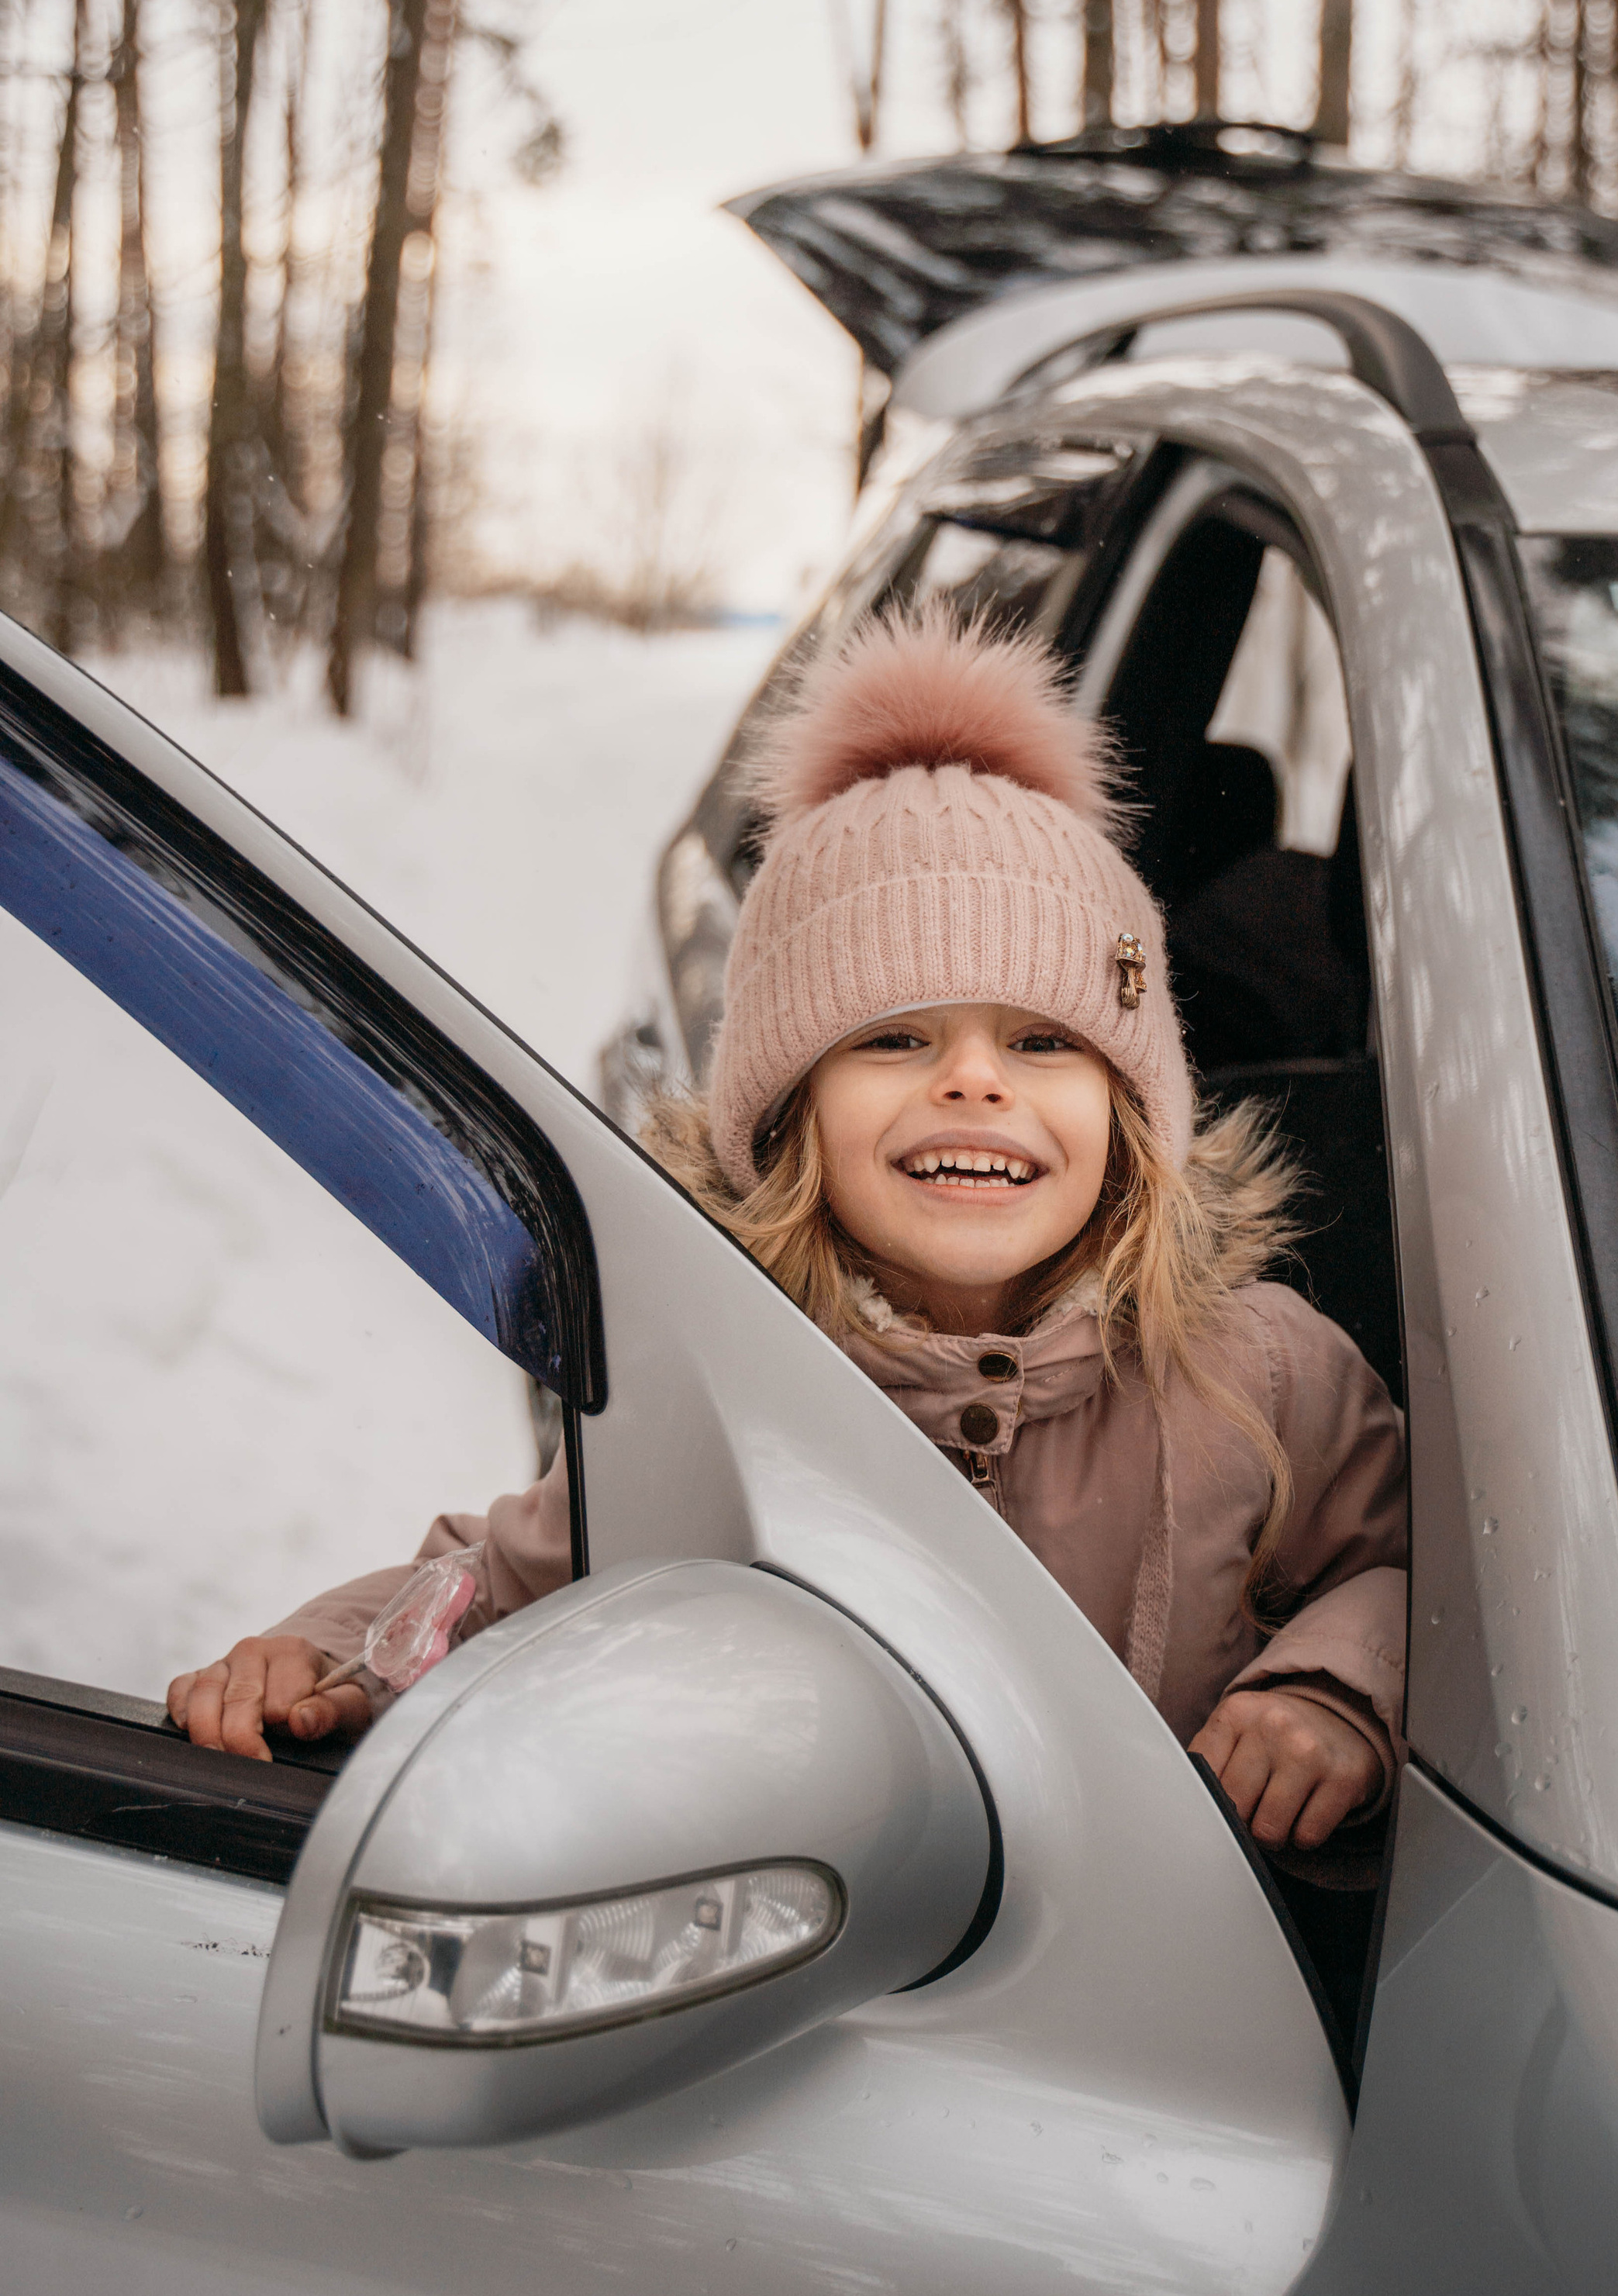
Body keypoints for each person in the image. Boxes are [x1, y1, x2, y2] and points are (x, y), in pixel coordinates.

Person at [170, 609, 1406, 1857]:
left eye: (1043, 1042)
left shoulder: (1260, 1371)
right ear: (790, 1114)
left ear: (1130, 1113)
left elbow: (1430, 1589)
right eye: (894, 1038)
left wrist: (1333, 1688)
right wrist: (329, 1655)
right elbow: (493, 1585)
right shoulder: (724, 1386)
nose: (978, 1082)